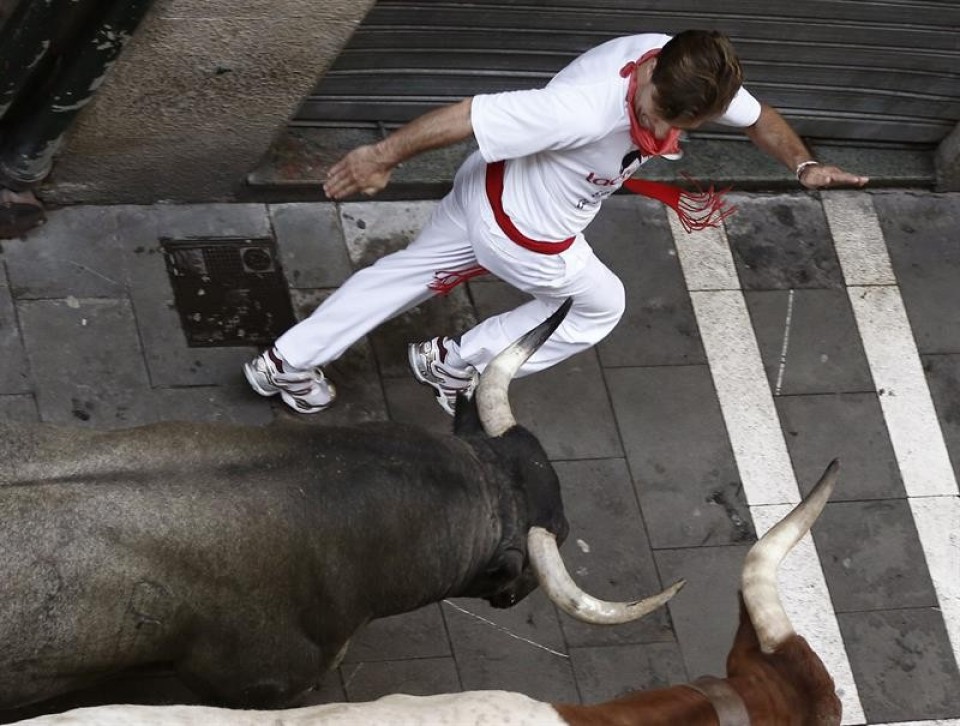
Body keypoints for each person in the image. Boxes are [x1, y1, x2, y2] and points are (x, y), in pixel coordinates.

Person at [244, 29, 868, 415]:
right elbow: (469, 115)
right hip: (525, 232)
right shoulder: (579, 110)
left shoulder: (688, 66)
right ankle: (455, 361)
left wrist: (804, 164)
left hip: (487, 189)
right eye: (656, 117)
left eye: (677, 127)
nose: (660, 132)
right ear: (653, 80)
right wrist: (379, 157)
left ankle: (284, 363)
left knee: (403, 273)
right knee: (600, 306)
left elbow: (759, 118)